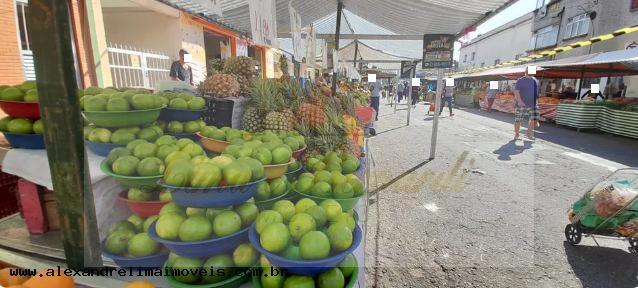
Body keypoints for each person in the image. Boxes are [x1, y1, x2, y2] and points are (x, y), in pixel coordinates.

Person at [513, 68, 540, 140]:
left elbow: (535, 92)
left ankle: (528, 133)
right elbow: (516, 92)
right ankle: (517, 134)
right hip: (522, 103)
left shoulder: (534, 80)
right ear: (526, 72)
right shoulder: (520, 80)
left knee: (535, 118)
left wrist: (536, 101)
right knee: (518, 120)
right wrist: (519, 101)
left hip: (532, 103)